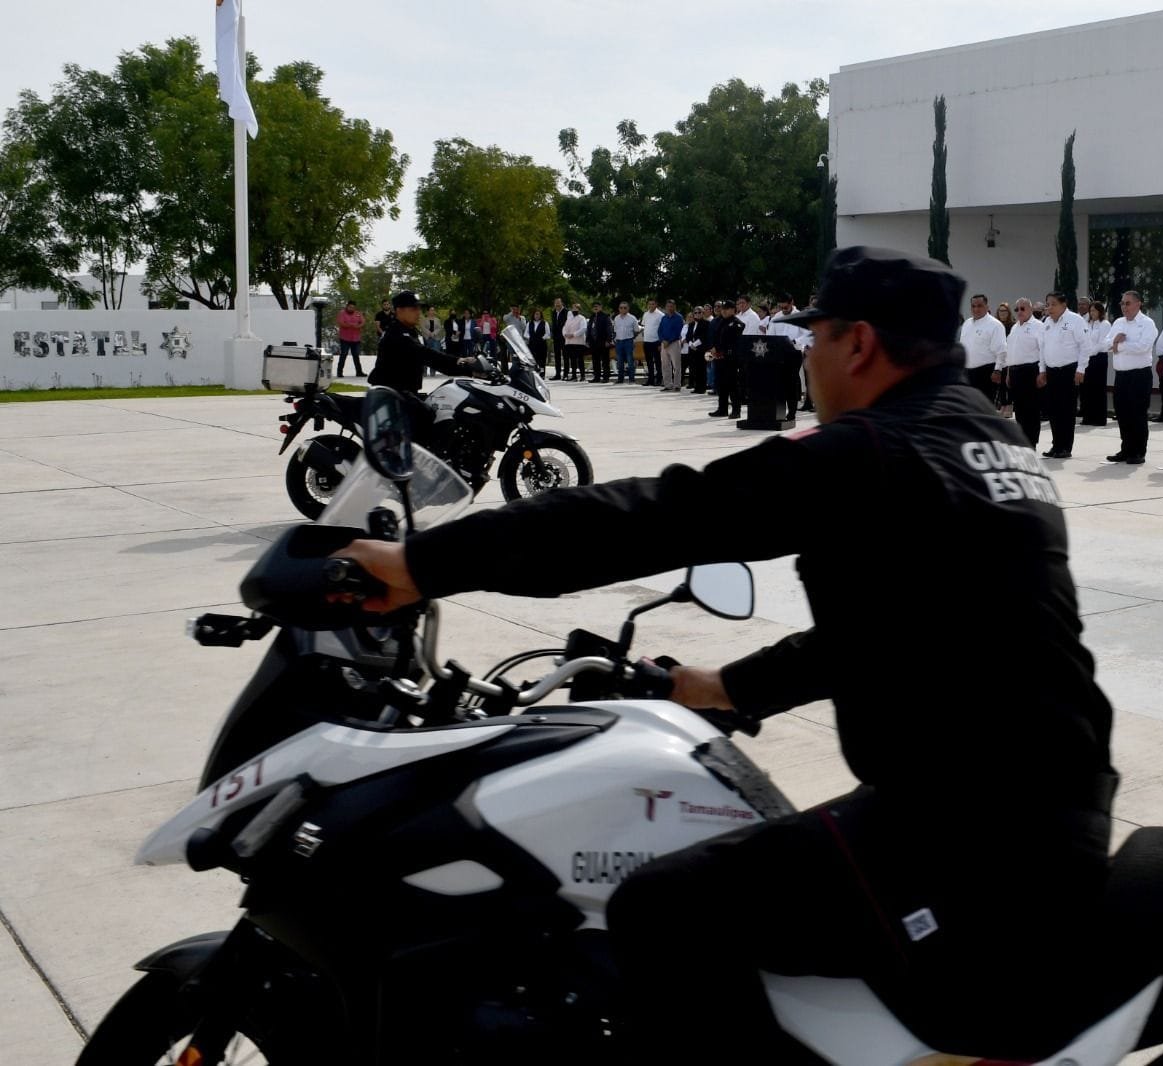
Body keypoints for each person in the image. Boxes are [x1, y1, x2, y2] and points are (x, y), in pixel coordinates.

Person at [335, 246, 1117, 1064]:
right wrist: (722, 686)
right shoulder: (985, 434)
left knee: (661, 907)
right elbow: (896, 632)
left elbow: (662, 517)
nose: (805, 358)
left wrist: (422, 564)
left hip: (969, 839)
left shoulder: (874, 450)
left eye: (814, 338)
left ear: (857, 344)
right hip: (1036, 803)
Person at [366, 291, 477, 422]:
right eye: (413, 309)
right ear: (399, 310)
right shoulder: (396, 333)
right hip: (391, 396)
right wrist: (462, 364)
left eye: (419, 308)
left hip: (402, 392)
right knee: (433, 417)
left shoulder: (408, 330)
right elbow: (426, 355)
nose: (418, 312)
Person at [1103, 291, 1158, 464]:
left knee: (1137, 414)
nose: (1124, 307)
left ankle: (1138, 452)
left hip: (1139, 375)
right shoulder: (1118, 322)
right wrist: (1115, 343)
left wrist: (1118, 345)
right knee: (1122, 413)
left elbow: (1143, 347)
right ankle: (1126, 449)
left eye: (1127, 303)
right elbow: (1105, 343)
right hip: (1121, 375)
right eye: (1122, 303)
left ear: (1138, 304)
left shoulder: (1147, 323)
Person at [1039, 292, 1089, 458]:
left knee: (1066, 410)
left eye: (1053, 304)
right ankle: (1056, 445)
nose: (1050, 307)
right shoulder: (1046, 322)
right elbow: (1042, 348)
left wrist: (1081, 369)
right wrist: (1042, 370)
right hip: (1052, 371)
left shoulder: (1075, 320)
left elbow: (1085, 346)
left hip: (1069, 371)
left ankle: (1065, 447)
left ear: (1063, 304)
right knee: (1053, 410)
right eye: (1048, 304)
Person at [996, 297, 1045, 447]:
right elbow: (1010, 352)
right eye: (1017, 309)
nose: (1019, 312)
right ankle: (1022, 441)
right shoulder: (1015, 327)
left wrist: (1042, 372)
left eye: (1023, 309)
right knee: (1019, 409)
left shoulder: (1038, 326)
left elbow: (1043, 350)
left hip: (1031, 370)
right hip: (1015, 372)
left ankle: (1031, 442)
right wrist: (1008, 373)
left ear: (1030, 309)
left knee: (1031, 409)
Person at [766, 293, 810, 420]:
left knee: (791, 382)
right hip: (779, 353)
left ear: (792, 303)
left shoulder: (800, 316)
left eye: (785, 307)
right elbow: (770, 334)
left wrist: (795, 341)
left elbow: (807, 334)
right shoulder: (776, 317)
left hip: (793, 352)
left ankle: (792, 411)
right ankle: (779, 411)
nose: (783, 310)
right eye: (781, 307)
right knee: (780, 382)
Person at [959, 294, 1007, 405]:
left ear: (987, 307)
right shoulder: (967, 324)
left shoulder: (995, 325)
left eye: (979, 306)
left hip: (986, 372)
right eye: (973, 306)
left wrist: (997, 370)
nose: (976, 309)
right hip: (967, 373)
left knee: (984, 406)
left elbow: (1001, 350)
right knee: (969, 406)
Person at [708, 301, 746, 418]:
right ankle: (722, 409)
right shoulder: (721, 322)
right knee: (721, 384)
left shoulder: (737, 323)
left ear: (733, 310)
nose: (723, 311)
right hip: (719, 357)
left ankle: (736, 410)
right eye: (723, 309)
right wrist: (713, 347)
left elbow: (731, 341)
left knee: (732, 385)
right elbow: (715, 336)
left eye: (727, 309)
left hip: (731, 358)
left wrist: (718, 348)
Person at [1080, 300, 1111, 425]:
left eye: (1094, 310)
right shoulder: (1088, 324)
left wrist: (1090, 352)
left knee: (1098, 388)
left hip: (1099, 358)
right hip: (1088, 358)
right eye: (1091, 311)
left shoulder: (1105, 324)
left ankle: (1099, 418)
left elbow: (1103, 343)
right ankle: (1088, 417)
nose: (1092, 313)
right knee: (1087, 388)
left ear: (1100, 311)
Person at [657, 299, 685, 392]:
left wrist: (668, 341)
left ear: (675, 307)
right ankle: (668, 384)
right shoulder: (664, 318)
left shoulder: (679, 317)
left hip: (674, 343)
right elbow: (659, 330)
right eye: (668, 306)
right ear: (666, 307)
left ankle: (677, 385)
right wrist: (662, 340)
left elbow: (678, 331)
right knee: (665, 365)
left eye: (671, 306)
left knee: (676, 365)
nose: (670, 308)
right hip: (664, 344)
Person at [335, 300, 365, 377]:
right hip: (345, 338)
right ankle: (339, 372)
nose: (352, 309)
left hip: (356, 338)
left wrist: (358, 326)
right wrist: (350, 325)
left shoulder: (358, 313)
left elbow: (362, 322)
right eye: (350, 307)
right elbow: (341, 323)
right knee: (344, 354)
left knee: (356, 355)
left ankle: (359, 372)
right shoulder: (342, 313)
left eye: (353, 307)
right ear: (347, 306)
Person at [613, 301, 640, 384]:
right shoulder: (616, 318)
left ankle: (631, 379)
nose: (623, 309)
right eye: (621, 308)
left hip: (628, 341)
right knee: (619, 361)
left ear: (628, 309)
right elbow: (615, 331)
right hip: (619, 341)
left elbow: (637, 330)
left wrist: (631, 338)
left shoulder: (632, 318)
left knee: (630, 360)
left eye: (625, 308)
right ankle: (620, 379)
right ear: (619, 309)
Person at [683, 306, 709, 393]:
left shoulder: (706, 323)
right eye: (695, 312)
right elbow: (688, 336)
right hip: (692, 349)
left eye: (699, 312)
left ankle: (702, 388)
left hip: (701, 349)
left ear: (703, 313)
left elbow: (704, 336)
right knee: (694, 369)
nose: (697, 314)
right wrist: (691, 344)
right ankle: (696, 387)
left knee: (702, 369)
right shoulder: (691, 324)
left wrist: (695, 344)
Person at [588, 302, 614, 382]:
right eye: (594, 306)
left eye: (597, 306)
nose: (595, 308)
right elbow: (589, 329)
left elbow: (609, 329)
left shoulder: (605, 317)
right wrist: (588, 340)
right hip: (593, 342)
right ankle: (597, 377)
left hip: (603, 341)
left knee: (605, 360)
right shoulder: (592, 317)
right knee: (595, 360)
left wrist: (608, 340)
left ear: (601, 307)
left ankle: (606, 377)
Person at [562, 304, 589, 382]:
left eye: (576, 308)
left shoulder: (582, 318)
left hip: (579, 342)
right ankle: (574, 376)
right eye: (573, 308)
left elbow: (583, 328)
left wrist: (573, 334)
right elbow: (564, 327)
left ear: (579, 310)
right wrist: (565, 334)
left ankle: (582, 376)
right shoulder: (569, 319)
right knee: (572, 359)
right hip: (569, 341)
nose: (574, 310)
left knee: (580, 359)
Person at [526, 308, 549, 376]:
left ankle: (542, 374)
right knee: (533, 360)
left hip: (542, 345)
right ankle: (534, 374)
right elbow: (526, 333)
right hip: (532, 344)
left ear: (540, 315)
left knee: (542, 361)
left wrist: (542, 338)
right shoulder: (529, 323)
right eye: (535, 314)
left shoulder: (545, 323)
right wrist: (530, 338)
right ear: (533, 315)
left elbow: (548, 334)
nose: (537, 316)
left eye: (538, 314)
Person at [551, 298, 570, 380]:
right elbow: (554, 324)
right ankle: (557, 374)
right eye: (556, 303)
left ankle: (566, 374)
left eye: (558, 303)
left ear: (562, 303)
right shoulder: (553, 312)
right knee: (557, 357)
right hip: (556, 338)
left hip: (564, 337)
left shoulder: (567, 312)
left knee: (566, 356)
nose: (557, 304)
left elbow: (569, 324)